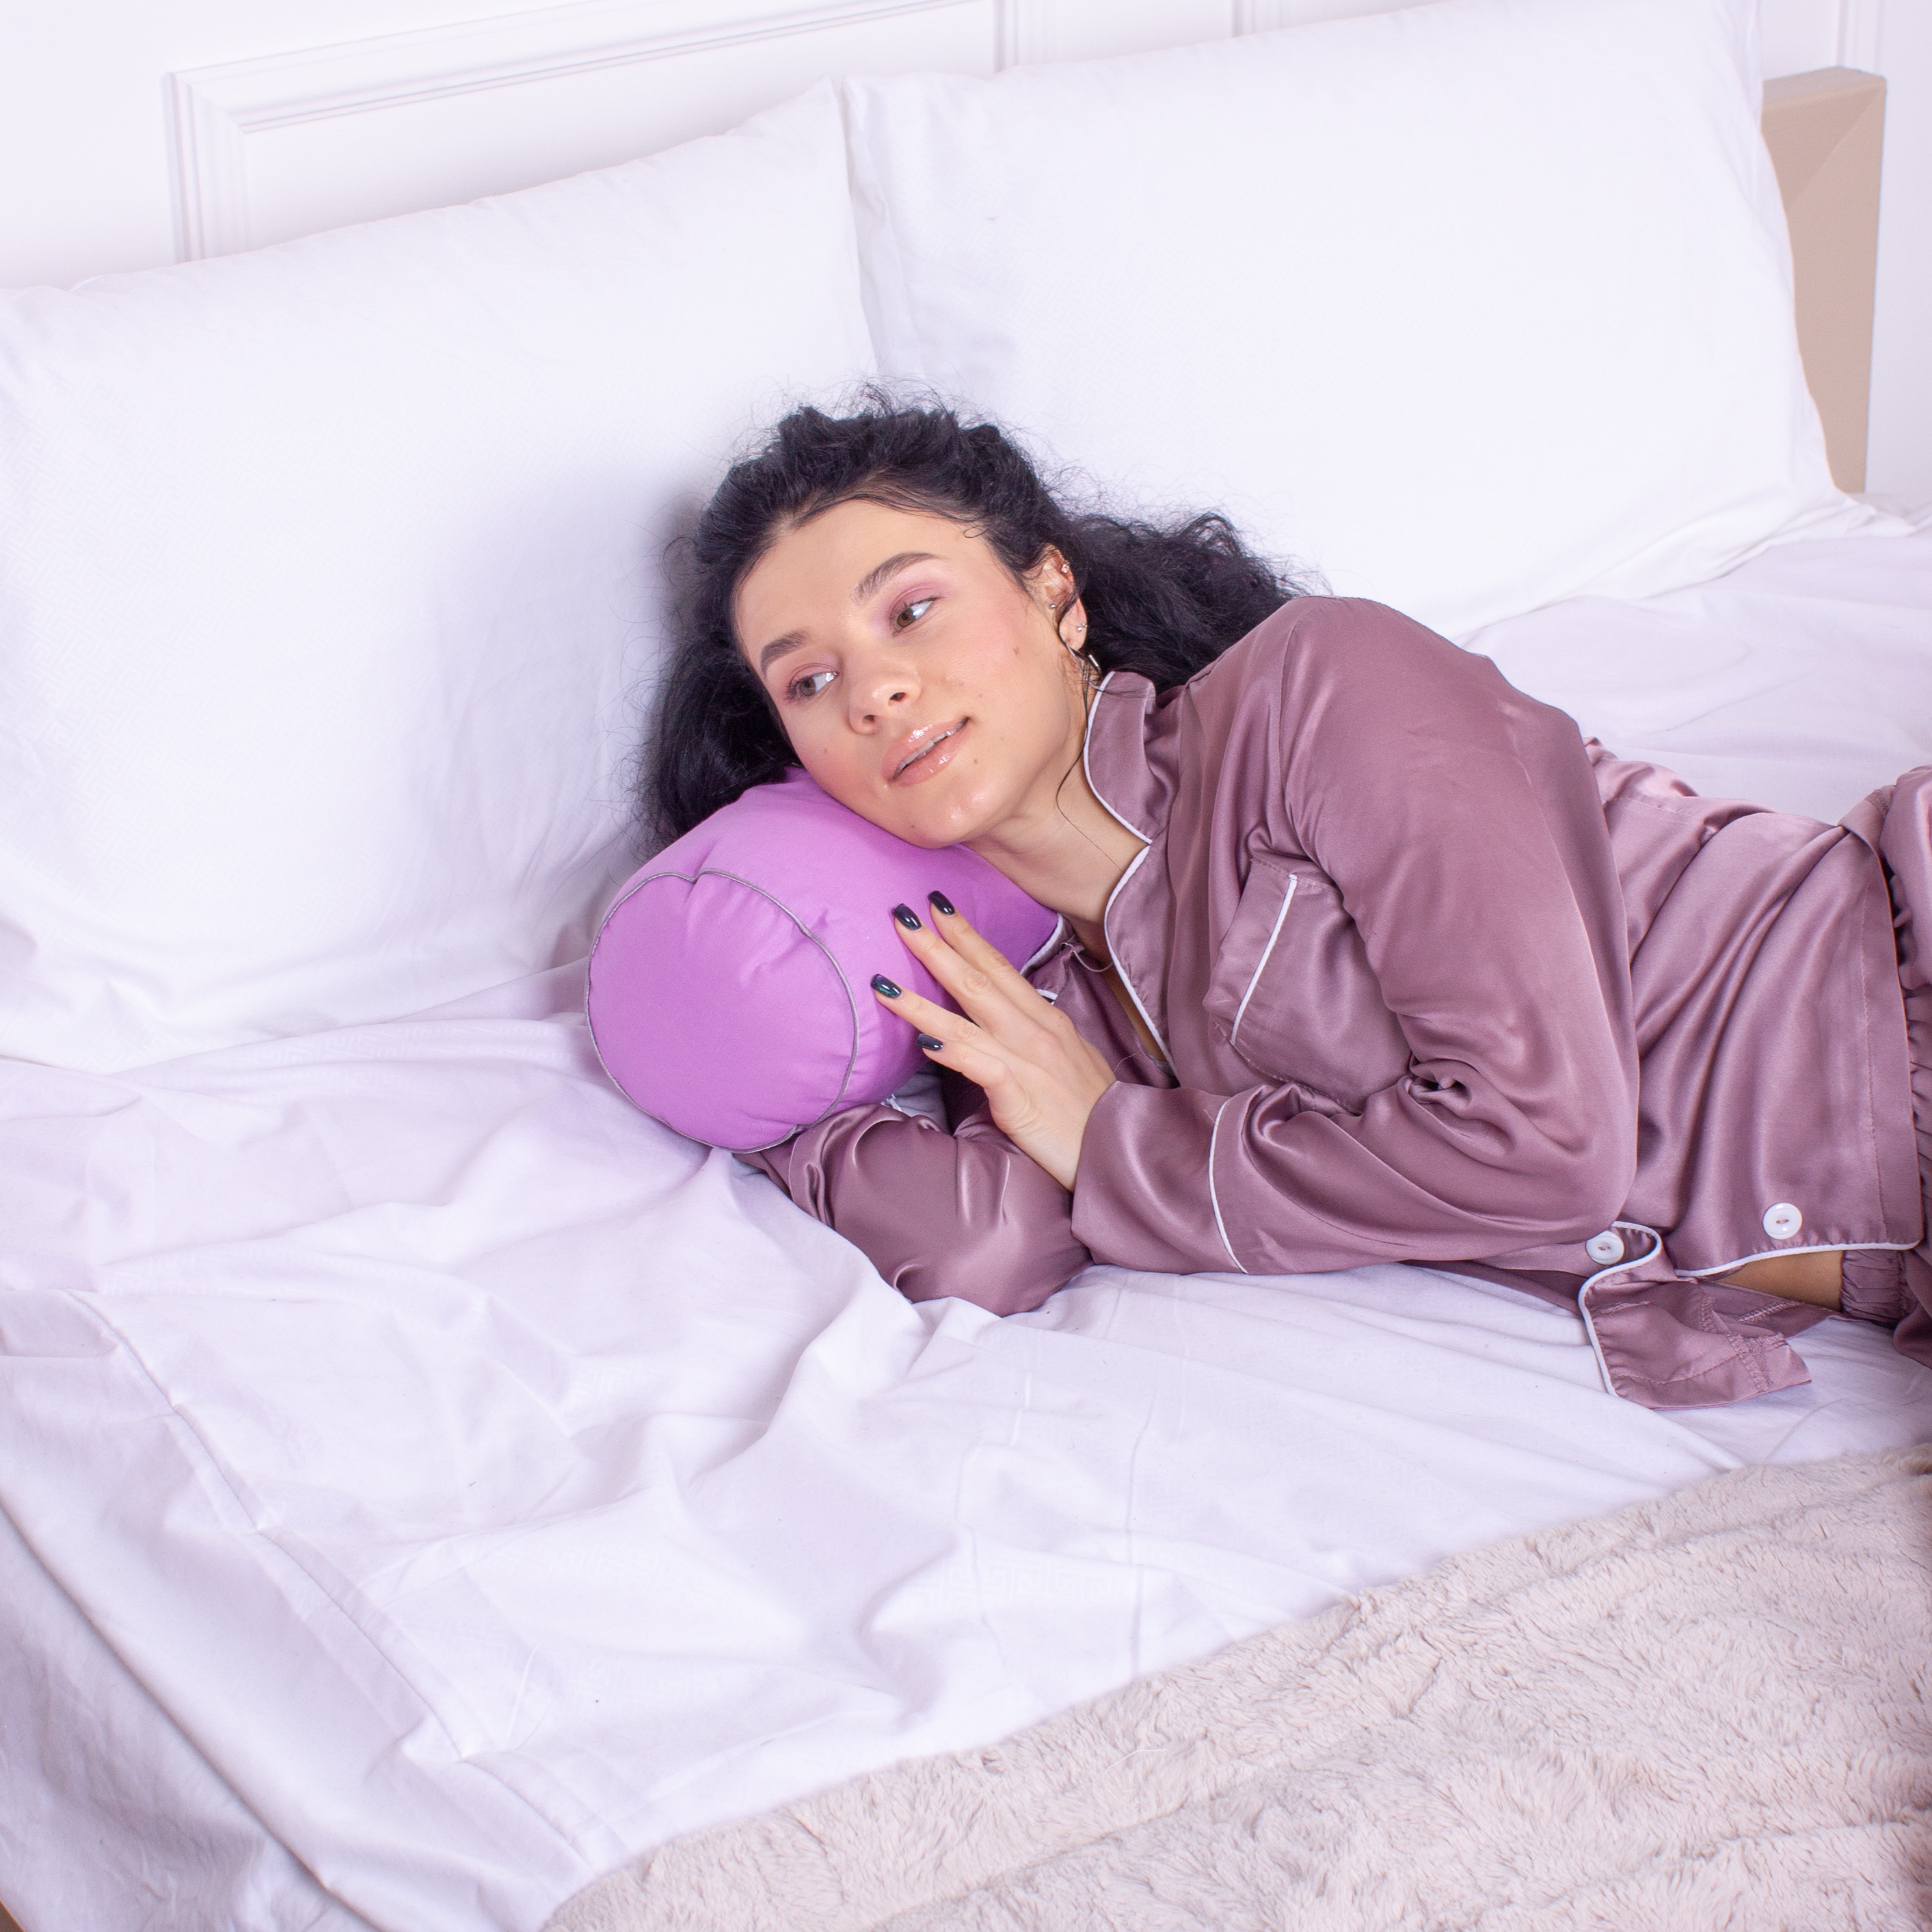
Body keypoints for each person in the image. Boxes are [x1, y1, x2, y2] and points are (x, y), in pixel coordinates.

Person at [651, 397, 1932, 1411]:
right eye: (808, 681)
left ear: (1053, 592)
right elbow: (988, 1249)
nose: (874, 690)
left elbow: (1547, 1143)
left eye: (913, 608)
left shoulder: (1316, 688)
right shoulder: (1033, 1018)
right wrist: (749, 1085)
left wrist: (1115, 1142)